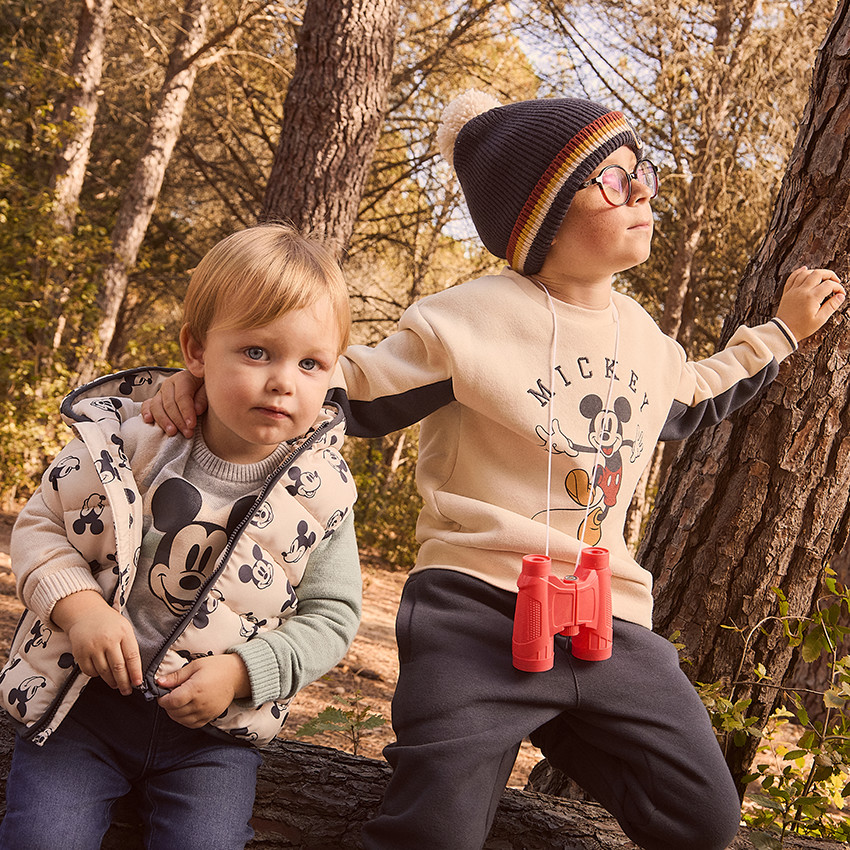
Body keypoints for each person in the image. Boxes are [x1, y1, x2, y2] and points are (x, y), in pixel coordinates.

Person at [142, 91, 845, 850]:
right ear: (538, 218)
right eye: (612, 179)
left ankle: (554, 717)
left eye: (641, 170)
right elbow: (344, 385)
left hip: (606, 619)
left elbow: (698, 395)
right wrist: (202, 383)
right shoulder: (465, 321)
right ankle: (501, 724)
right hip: (475, 612)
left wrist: (779, 334)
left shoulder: (643, 335)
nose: (641, 189)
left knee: (702, 819)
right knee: (436, 832)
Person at [0, 224, 361, 850]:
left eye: (311, 363)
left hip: (210, 733)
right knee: (43, 835)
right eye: (256, 352)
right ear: (196, 351)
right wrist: (79, 608)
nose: (284, 381)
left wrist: (244, 672)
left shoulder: (325, 491)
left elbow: (332, 616)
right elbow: (40, 525)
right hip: (80, 705)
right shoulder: (134, 443)